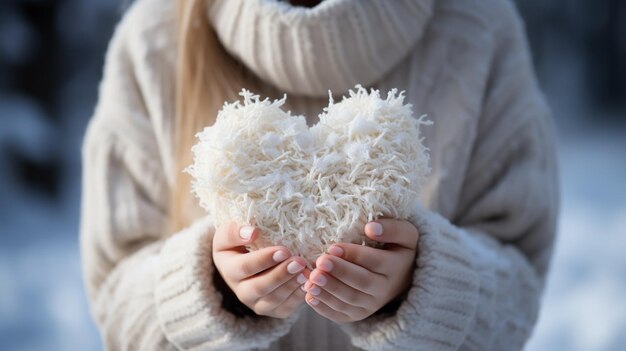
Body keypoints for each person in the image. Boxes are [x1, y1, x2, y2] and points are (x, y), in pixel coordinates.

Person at [79, 0, 559, 350]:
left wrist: (419, 286)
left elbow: (518, 285)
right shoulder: (153, 39)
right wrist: (212, 285)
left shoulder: (479, 28)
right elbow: (115, 299)